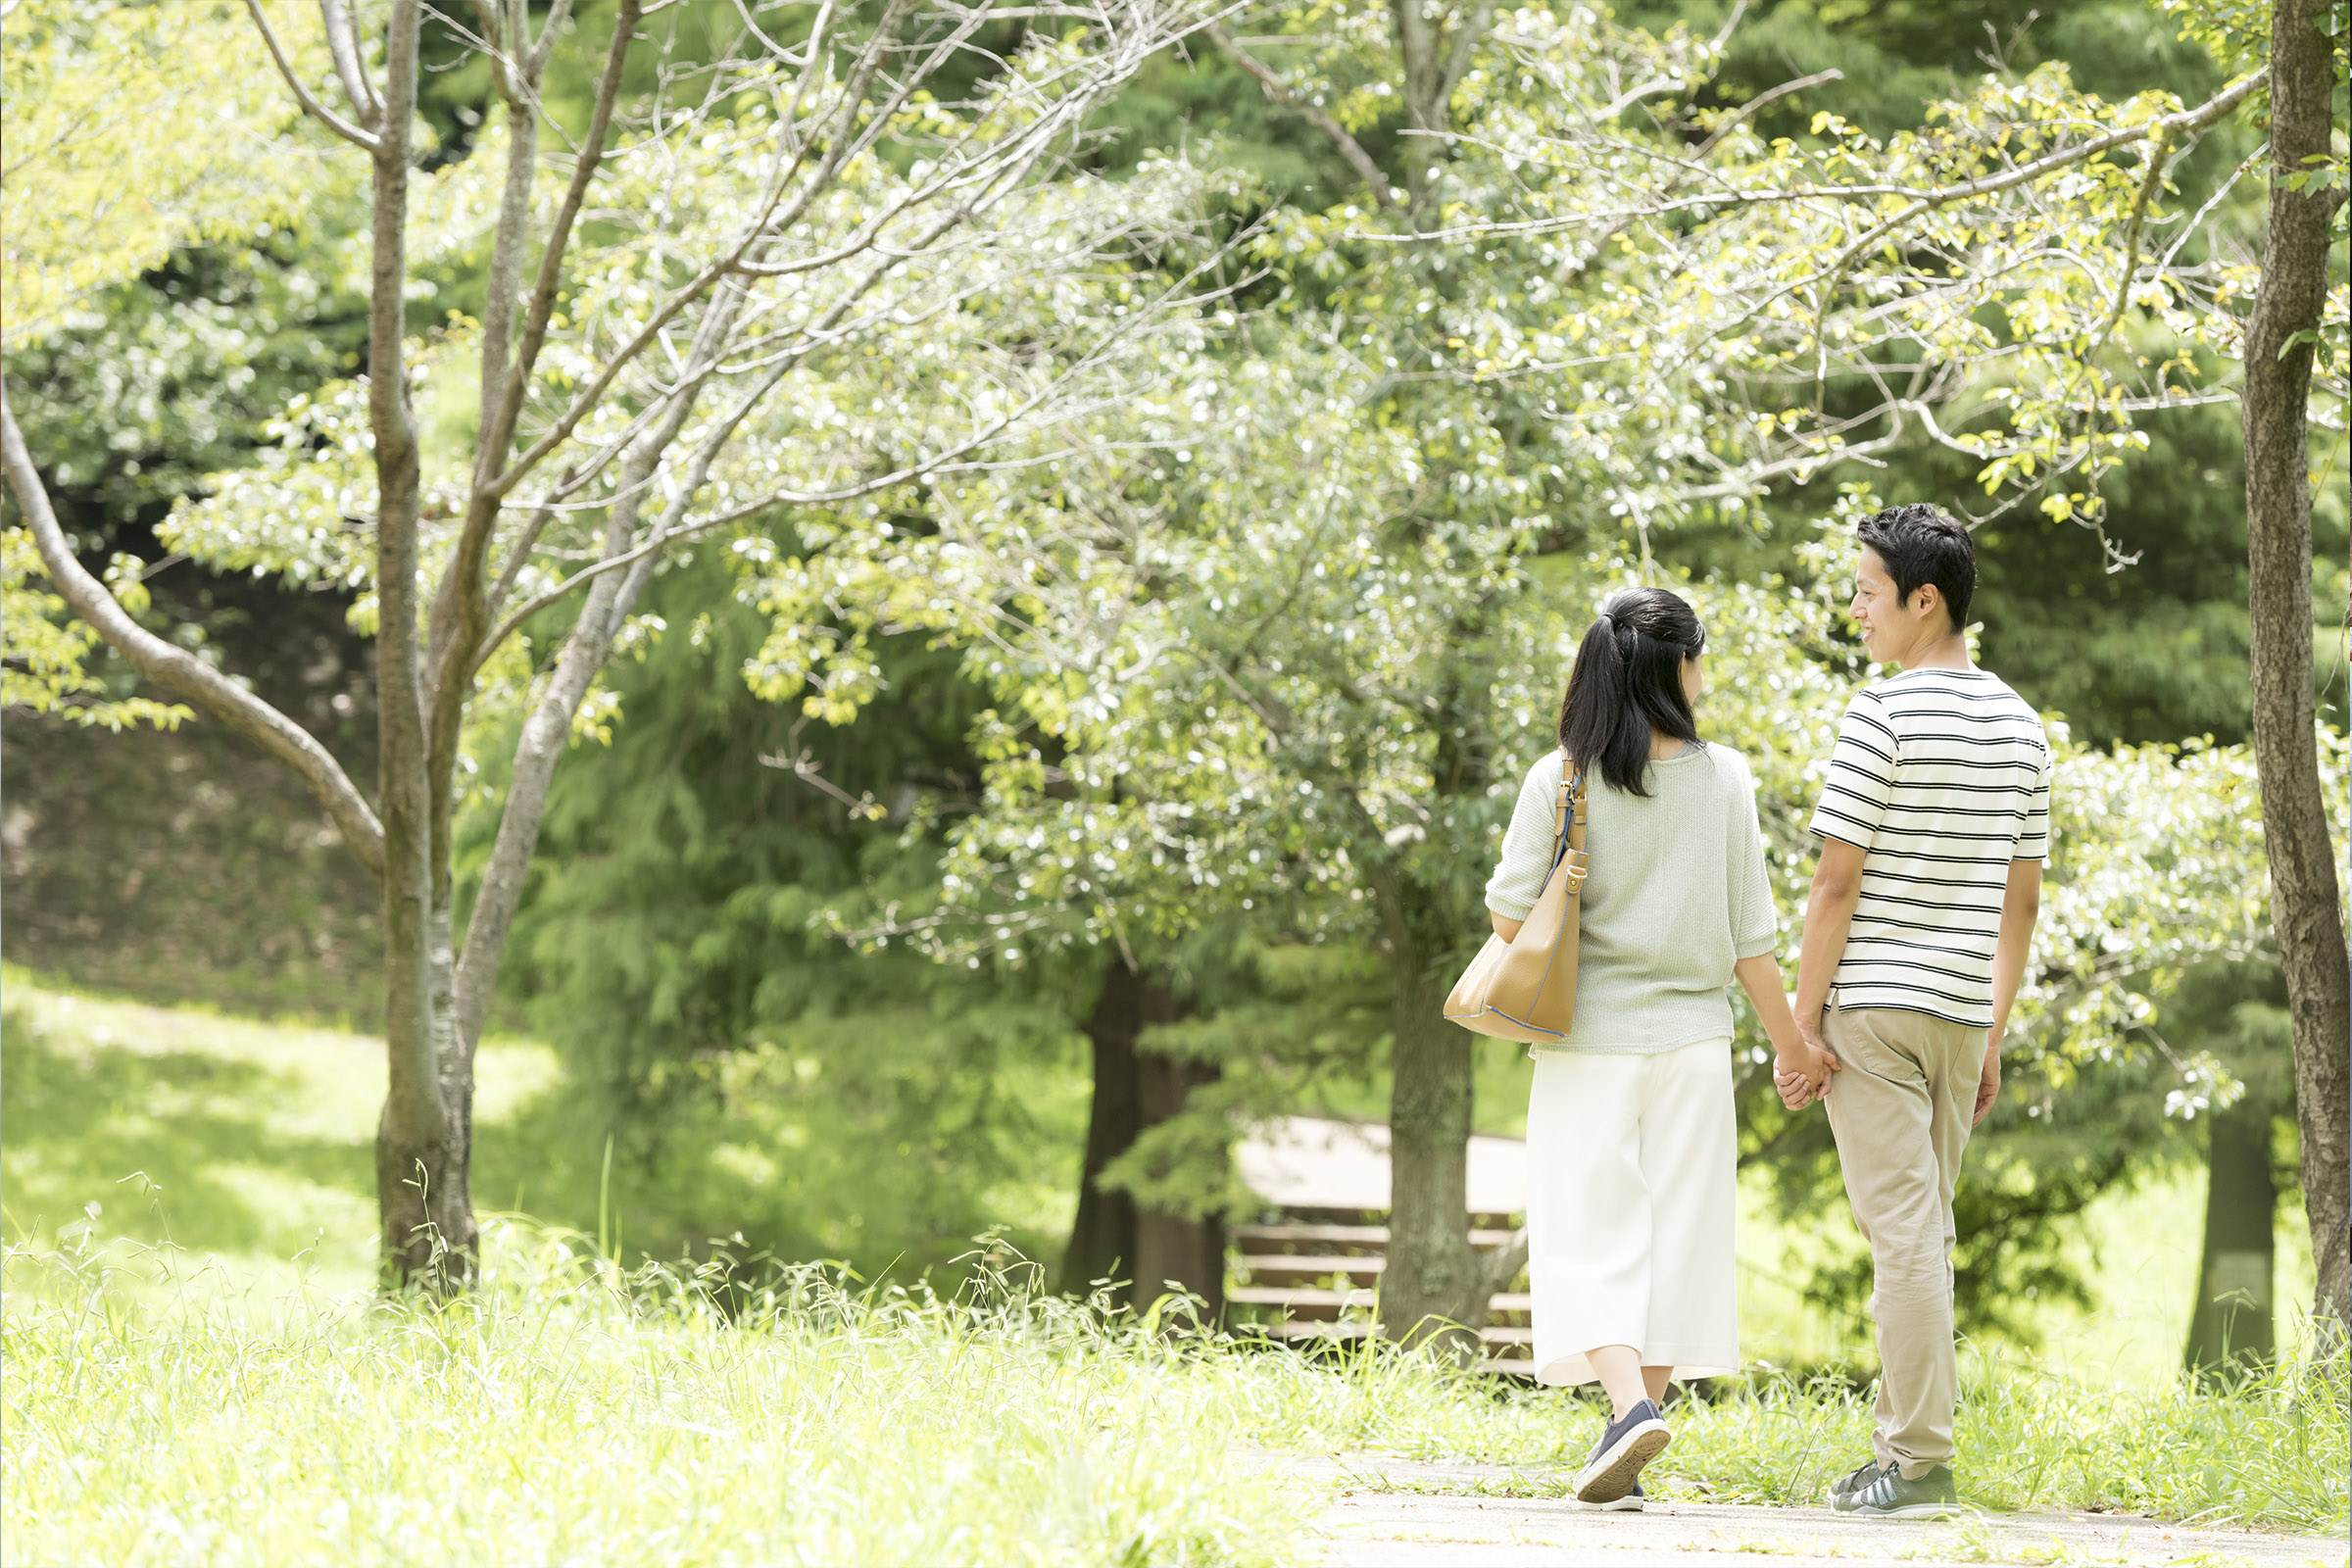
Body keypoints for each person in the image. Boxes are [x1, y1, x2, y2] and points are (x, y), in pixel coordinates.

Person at [1484, 586, 1826, 1511]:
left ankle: (1630, 1411)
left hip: (1585, 1041)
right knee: (1681, 1238)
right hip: (1695, 1044)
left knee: (1585, 1232)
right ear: (1675, 665)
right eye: (1699, 657)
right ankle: (1635, 1422)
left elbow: (1512, 916)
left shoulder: (1558, 778)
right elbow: (1753, 940)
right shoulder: (1727, 778)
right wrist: (1795, 1050)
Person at [1791, 504, 2050, 1520]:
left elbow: (1834, 887)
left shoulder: (1882, 714)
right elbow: (2018, 902)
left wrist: (1804, 1026)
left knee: (1900, 1235)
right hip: (1953, 1014)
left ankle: (1920, 1461)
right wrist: (1992, 1025)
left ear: (1923, 599)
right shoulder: (2023, 723)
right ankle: (1898, 1451)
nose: (1855, 610)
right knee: (1918, 1233)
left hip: (1876, 1012)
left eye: (1866, 591)